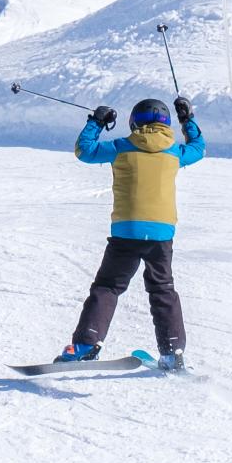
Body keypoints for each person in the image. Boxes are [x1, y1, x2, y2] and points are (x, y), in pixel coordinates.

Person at [55, 94, 204, 371]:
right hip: (161, 234)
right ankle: (172, 352)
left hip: (127, 230)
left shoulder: (122, 147)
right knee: (162, 289)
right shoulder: (174, 152)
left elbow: (84, 151)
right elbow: (199, 148)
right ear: (166, 123)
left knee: (108, 286)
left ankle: (86, 344)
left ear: (134, 122)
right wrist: (188, 119)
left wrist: (96, 121)